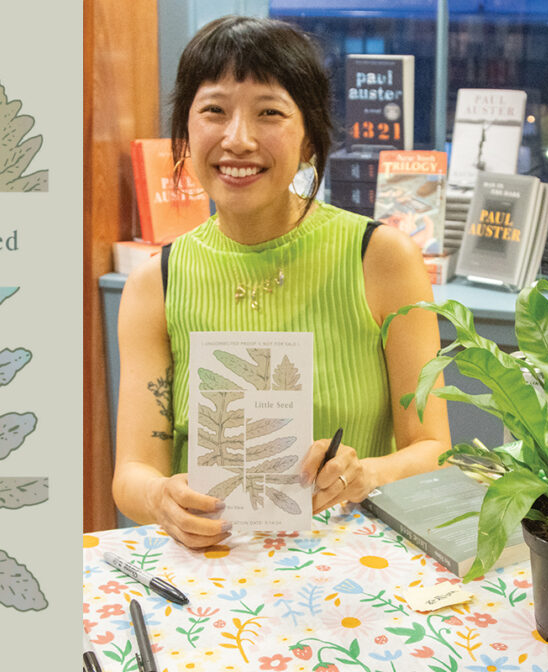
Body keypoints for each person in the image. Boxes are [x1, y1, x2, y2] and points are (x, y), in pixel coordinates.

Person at [113, 15, 450, 549]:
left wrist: (367, 476)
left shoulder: (381, 259)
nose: (238, 139)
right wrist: (161, 499)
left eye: (269, 112)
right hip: (210, 567)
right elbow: (132, 473)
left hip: (354, 569)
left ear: (310, 138)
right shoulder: (157, 282)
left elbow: (433, 448)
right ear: (185, 130)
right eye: (213, 111)